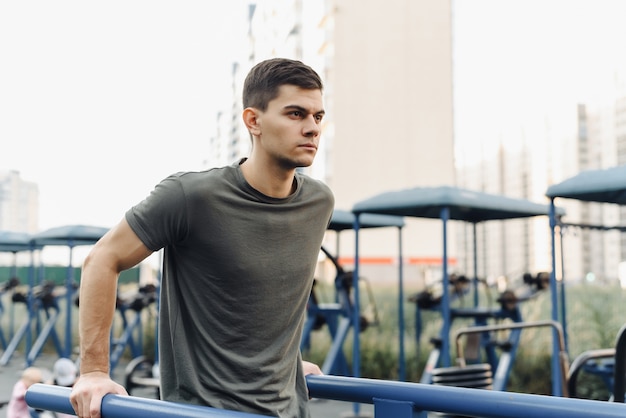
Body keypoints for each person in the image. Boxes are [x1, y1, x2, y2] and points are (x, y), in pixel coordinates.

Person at [70, 57, 334, 418]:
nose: (312, 128)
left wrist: (286, 365)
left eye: (317, 116)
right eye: (295, 114)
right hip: (203, 412)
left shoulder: (318, 202)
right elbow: (102, 259)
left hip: (288, 409)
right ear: (253, 121)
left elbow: (264, 300)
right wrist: (94, 372)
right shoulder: (190, 197)